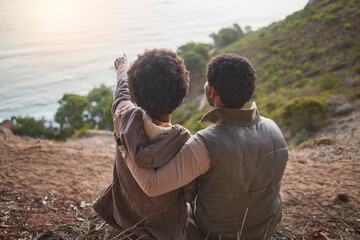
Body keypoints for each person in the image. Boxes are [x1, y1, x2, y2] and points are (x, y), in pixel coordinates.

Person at [121, 53, 288, 239]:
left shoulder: (205, 143)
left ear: (213, 92)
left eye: (207, 82)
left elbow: (152, 185)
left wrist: (124, 148)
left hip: (218, 233)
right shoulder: (274, 128)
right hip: (268, 226)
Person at [93, 49, 199, 239]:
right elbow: (191, 195)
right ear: (182, 93)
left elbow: (122, 92)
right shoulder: (185, 146)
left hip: (124, 217)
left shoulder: (123, 118)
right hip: (165, 231)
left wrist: (122, 67)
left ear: (136, 92)